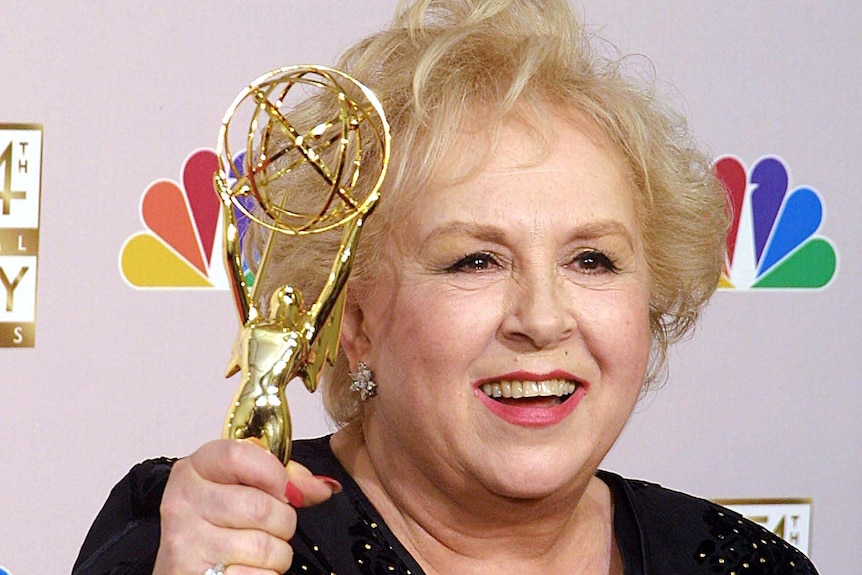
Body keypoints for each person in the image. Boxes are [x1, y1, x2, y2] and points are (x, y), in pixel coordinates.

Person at [74, 1, 819, 574]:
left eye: (592, 259)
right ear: (354, 316)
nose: (542, 317)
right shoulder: (198, 533)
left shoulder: (742, 560)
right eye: (475, 261)